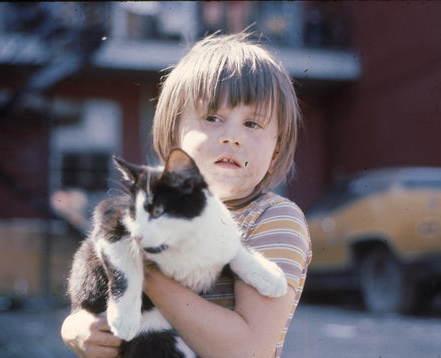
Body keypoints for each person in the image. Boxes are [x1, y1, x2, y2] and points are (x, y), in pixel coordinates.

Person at [61, 31, 312, 358]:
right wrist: (76, 327)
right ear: (172, 135)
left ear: (276, 152)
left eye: (252, 124)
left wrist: (143, 267)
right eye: (213, 118)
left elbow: (249, 350)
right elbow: (93, 284)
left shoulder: (275, 218)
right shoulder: (148, 209)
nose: (232, 137)